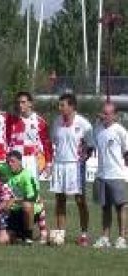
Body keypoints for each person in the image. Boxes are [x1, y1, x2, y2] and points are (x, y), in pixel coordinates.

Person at [50, 93, 94, 246]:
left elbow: (91, 145)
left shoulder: (84, 123)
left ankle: (84, 234)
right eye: (59, 105)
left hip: (75, 165)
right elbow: (54, 142)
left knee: (80, 200)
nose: (60, 108)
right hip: (59, 164)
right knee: (60, 200)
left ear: (72, 106)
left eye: (63, 105)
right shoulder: (56, 122)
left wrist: (83, 159)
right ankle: (61, 234)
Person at [93, 102, 128, 249]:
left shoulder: (120, 131)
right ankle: (105, 237)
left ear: (114, 115)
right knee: (105, 207)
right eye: (103, 113)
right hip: (102, 174)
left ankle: (122, 238)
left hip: (117, 175)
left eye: (108, 113)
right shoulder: (97, 130)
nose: (104, 116)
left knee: (121, 206)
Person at [3, 151, 47, 245]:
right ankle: (19, 234)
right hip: (14, 211)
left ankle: (28, 236)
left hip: (28, 210)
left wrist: (14, 200)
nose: (10, 164)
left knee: (26, 205)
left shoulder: (27, 175)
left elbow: (32, 196)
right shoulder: (6, 169)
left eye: (12, 161)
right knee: (3, 240)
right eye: (8, 162)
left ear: (20, 162)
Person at [8, 91, 52, 179]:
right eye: (18, 103)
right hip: (16, 160)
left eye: (23, 102)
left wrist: (48, 164)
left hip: (32, 160)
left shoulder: (40, 122)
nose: (20, 105)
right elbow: (7, 142)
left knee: (32, 191)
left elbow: (47, 145)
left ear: (30, 103)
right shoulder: (11, 122)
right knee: (15, 191)